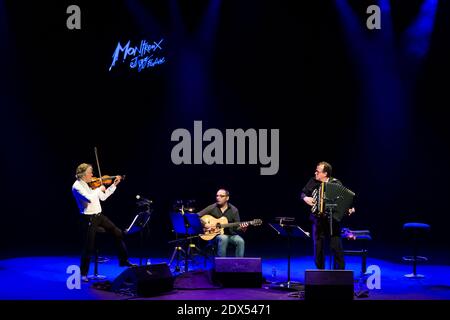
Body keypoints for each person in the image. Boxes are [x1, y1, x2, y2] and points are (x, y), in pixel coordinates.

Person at [72, 163, 136, 282]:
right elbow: (89, 198)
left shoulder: (90, 184)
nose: (92, 175)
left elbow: (103, 197)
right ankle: (83, 273)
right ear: (84, 175)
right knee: (88, 247)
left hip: (99, 216)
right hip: (88, 218)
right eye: (90, 172)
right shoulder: (77, 186)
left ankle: (124, 260)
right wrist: (98, 189)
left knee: (117, 232)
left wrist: (113, 185)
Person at [300, 161, 355, 269]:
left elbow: (343, 199)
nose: (315, 173)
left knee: (336, 246)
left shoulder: (336, 183)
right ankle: (320, 273)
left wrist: (348, 209)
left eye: (318, 171)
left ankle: (339, 274)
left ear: (325, 174)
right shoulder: (313, 181)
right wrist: (305, 198)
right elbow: (303, 193)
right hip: (317, 219)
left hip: (332, 221)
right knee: (318, 247)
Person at [197, 189, 248, 257]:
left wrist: (242, 228)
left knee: (240, 240)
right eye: (217, 196)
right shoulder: (212, 207)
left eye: (221, 196)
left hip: (231, 235)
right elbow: (196, 216)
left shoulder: (234, 210)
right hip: (215, 236)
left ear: (227, 198)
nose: (218, 198)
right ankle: (221, 265)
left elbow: (237, 228)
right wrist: (205, 224)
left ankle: (238, 264)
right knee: (223, 238)